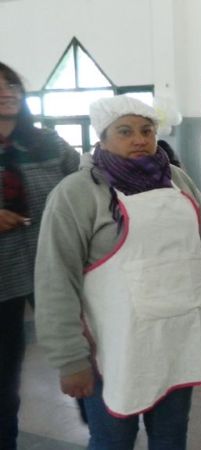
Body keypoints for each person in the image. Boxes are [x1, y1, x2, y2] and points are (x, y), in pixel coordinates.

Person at [34, 95, 201, 449]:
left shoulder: (179, 182)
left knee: (171, 437)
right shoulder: (78, 193)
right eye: (125, 131)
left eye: (147, 130)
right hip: (112, 349)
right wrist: (69, 358)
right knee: (113, 440)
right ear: (102, 138)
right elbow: (56, 279)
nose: (139, 139)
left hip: (178, 339)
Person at [0, 62, 79, 450]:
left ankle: (104, 431)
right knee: (3, 379)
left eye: (11, 83)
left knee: (84, 354)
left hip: (55, 267)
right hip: (2, 280)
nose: (6, 90)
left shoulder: (49, 143)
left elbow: (88, 184)